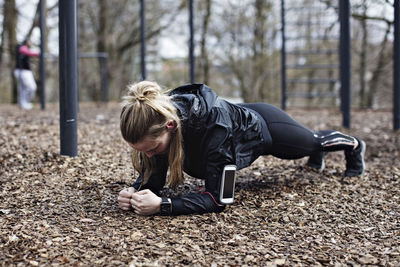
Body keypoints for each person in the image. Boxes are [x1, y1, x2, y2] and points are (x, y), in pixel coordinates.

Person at [117, 81, 366, 216]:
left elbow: (219, 198)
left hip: (267, 127)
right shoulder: (156, 122)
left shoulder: (216, 131)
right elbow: (155, 173)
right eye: (142, 151)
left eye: (151, 149)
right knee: (158, 153)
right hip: (238, 116)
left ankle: (354, 145)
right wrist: (136, 191)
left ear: (171, 127)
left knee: (312, 142)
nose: (148, 155)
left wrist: (163, 206)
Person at [14, 39, 39, 110]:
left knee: (25, 88)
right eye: (29, 41)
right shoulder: (22, 47)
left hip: (25, 71)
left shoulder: (25, 48)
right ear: (26, 42)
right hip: (22, 71)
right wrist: (37, 54)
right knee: (30, 87)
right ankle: (24, 103)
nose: (30, 43)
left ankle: (24, 103)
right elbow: (27, 52)